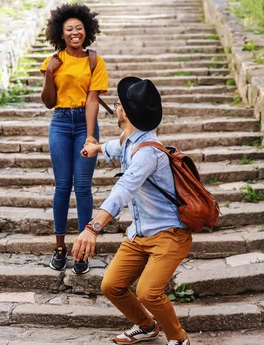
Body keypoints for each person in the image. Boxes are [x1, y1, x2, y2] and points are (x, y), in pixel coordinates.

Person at [74, 76, 192, 345]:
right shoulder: (129, 141)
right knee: (111, 286)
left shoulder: (148, 153)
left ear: (124, 112)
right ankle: (146, 325)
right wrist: (95, 148)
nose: (116, 107)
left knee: (148, 292)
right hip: (140, 234)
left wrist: (93, 227)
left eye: (118, 104)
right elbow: (114, 147)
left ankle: (179, 338)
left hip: (169, 235)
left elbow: (123, 189)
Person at [40, 3, 108, 275]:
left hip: (83, 123)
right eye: (69, 29)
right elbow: (48, 102)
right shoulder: (53, 61)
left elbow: (93, 99)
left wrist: (90, 135)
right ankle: (59, 247)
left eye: (79, 28)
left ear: (86, 31)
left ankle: (82, 250)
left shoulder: (94, 60)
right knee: (62, 186)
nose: (75, 33)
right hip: (59, 122)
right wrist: (49, 73)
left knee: (82, 187)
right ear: (61, 33)